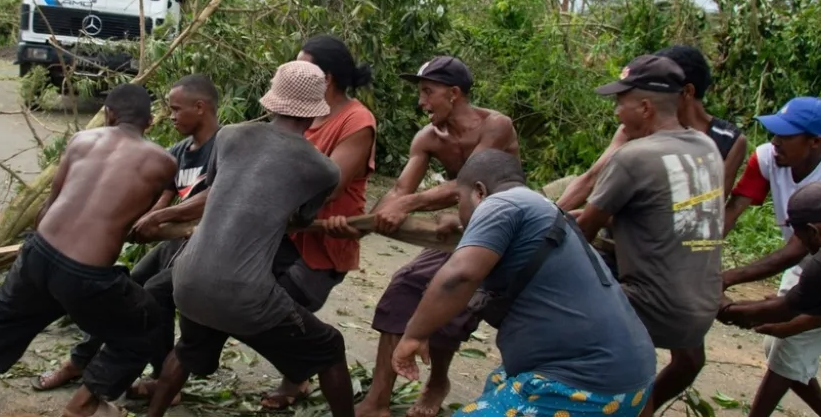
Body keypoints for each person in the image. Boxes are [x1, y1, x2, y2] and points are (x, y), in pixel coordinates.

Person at [0, 84, 176, 417]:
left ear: (109, 115)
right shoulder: (163, 161)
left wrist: (33, 257)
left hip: (40, 249)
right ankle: (84, 403)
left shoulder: (81, 140)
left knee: (7, 311)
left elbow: (50, 204)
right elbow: (141, 217)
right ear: (150, 122)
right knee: (146, 323)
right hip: (87, 275)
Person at [147, 61, 354, 417]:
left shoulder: (229, 135)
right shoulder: (323, 169)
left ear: (271, 102)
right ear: (316, 112)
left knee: (186, 349)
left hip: (187, 278)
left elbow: (214, 189)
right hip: (244, 292)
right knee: (331, 347)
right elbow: (302, 218)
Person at [393, 150, 656, 417]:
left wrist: (414, 335)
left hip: (586, 386)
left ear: (480, 192)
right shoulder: (542, 208)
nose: (459, 209)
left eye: (459, 199)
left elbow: (459, 276)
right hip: (629, 378)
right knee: (497, 381)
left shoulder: (501, 204)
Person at [33, 74, 222, 398]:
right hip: (175, 242)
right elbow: (166, 190)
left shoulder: (226, 146)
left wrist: (162, 216)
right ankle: (81, 360)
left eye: (176, 110)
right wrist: (144, 219)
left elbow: (216, 196)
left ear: (200, 107)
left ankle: (164, 380)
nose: (172, 116)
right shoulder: (179, 150)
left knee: (150, 297)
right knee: (125, 290)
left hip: (205, 247)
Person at [357, 56, 518, 417]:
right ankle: (377, 401)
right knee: (402, 289)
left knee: (454, 304)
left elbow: (468, 184)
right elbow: (400, 191)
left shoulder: (496, 126)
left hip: (502, 231)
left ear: (455, 94)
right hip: (458, 234)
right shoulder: (428, 137)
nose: (421, 102)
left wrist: (412, 205)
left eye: (428, 92)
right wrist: (365, 224)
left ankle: (438, 381)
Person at [575, 54, 725, 416]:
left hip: (653, 307)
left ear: (644, 107)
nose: (616, 113)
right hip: (702, 305)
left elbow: (582, 232)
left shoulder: (633, 156)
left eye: (620, 103)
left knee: (554, 324)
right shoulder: (708, 147)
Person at [258, 35, 377, 410]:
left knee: (281, 309)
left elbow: (328, 184)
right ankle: (297, 380)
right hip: (284, 228)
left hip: (325, 237)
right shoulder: (295, 110)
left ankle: (299, 377)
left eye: (303, 67)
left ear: (325, 78)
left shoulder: (357, 120)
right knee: (255, 301)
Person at [717, 97, 821, 417]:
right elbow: (733, 210)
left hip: (817, 260)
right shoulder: (767, 159)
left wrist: (728, 286)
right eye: (773, 133)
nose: (774, 141)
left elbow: (797, 249)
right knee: (780, 346)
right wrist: (702, 254)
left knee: (787, 341)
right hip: (814, 256)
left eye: (786, 135)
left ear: (816, 141)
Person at [558, 44, 746, 210]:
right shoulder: (635, 128)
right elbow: (592, 179)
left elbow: (709, 206)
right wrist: (552, 217)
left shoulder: (727, 141)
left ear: (687, 91)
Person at [721, 182, 821, 334]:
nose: (805, 248)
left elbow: (786, 310)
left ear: (813, 232)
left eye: (802, 240)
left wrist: (726, 309)